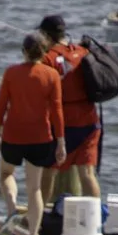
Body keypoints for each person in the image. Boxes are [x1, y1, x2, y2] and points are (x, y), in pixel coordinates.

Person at [0, 32, 65, 235]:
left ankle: (12, 208)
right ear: (45, 52)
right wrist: (61, 142)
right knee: (35, 188)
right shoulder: (51, 75)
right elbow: (57, 111)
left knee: (6, 174)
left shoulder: (11, 73)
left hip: (13, 135)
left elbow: (1, 106)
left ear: (23, 51)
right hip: (41, 137)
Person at [37, 14, 101, 200]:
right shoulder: (83, 52)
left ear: (45, 35)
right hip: (90, 119)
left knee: (49, 170)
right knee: (87, 174)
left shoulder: (47, 58)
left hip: (63, 123)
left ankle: (40, 216)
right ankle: (95, 219)